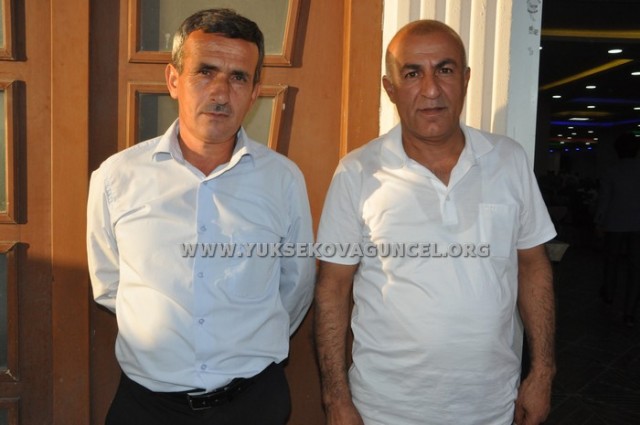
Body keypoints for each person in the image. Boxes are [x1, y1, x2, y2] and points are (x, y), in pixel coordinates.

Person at [314, 20, 556, 425]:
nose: (431, 89)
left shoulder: (508, 160)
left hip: (492, 405)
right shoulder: (357, 172)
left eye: (444, 70)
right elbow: (332, 287)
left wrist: (543, 372)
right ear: (390, 88)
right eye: (412, 74)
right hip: (384, 409)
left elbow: (534, 265)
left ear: (465, 79)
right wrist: (335, 397)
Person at [86, 9, 315, 425]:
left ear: (255, 91)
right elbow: (109, 284)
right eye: (205, 72)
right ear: (174, 79)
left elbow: (295, 285)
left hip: (253, 405)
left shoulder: (283, 180)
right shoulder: (117, 177)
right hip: (147, 408)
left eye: (238, 77)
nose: (221, 92)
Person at [595, 132, 640, 327]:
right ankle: (629, 311)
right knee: (635, 268)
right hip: (637, 224)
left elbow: (605, 199)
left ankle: (609, 294)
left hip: (614, 222)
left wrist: (599, 221)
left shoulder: (611, 171)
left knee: (611, 260)